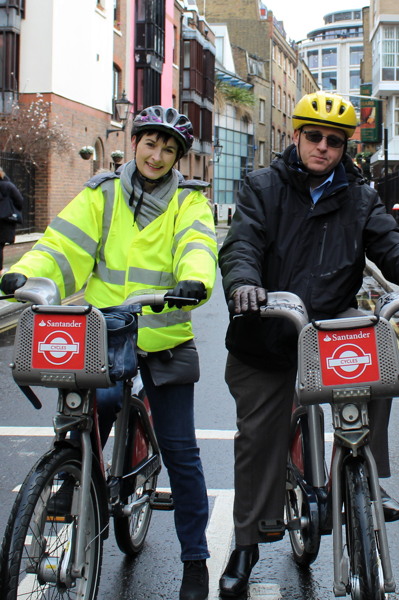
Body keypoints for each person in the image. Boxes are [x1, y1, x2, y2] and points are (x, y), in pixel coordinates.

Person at [218, 91, 399, 597]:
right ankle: (247, 542)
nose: (323, 147)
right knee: (259, 437)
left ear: (345, 148)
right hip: (270, 326)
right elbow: (242, 243)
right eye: (315, 137)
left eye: (334, 141)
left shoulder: (360, 196)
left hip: (329, 323)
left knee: (379, 358)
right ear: (296, 136)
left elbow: (391, 243)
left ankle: (367, 473)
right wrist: (243, 285)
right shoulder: (263, 186)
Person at [0, 106, 218, 600]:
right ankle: (70, 478)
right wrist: (28, 275)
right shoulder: (102, 193)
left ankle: (195, 558)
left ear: (178, 156)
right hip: (105, 331)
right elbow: (63, 245)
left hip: (164, 337)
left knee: (181, 452)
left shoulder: (189, 202)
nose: (157, 156)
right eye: (149, 143)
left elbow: (198, 246)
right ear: (135, 141)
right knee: (87, 414)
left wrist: (195, 280)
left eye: (168, 149)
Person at [0, 165, 25, 274]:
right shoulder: (8, 186)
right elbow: (19, 201)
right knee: (0, 245)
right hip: (5, 220)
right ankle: (0, 270)